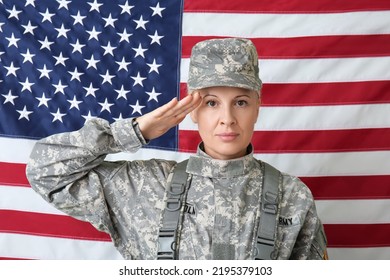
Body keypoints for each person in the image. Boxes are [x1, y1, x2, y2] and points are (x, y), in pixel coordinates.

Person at [26, 38, 328, 260]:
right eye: (211, 103)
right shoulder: (143, 185)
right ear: (192, 110)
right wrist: (133, 132)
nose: (227, 119)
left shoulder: (292, 196)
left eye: (241, 102)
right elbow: (45, 171)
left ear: (257, 108)